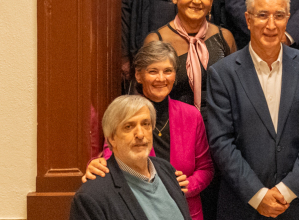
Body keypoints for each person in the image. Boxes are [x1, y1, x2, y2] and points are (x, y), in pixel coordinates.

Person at [204, 0, 299, 220]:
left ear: (287, 19)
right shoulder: (223, 73)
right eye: (262, 15)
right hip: (243, 205)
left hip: (297, 205)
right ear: (248, 20)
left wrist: (286, 190)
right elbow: (221, 142)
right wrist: (258, 195)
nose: (271, 25)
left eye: (279, 16)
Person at [83, 42, 213, 220]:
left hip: (186, 211)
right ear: (138, 75)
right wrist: (97, 165)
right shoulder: (123, 115)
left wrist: (188, 185)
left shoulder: (191, 115)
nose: (161, 78)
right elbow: (109, 159)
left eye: (168, 71)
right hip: (137, 210)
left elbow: (206, 168)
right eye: (153, 71)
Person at [70, 95, 191, 220]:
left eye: (145, 124)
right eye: (129, 126)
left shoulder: (167, 170)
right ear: (111, 138)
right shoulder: (91, 197)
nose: (140, 134)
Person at [142, 0, 237, 108]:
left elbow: (234, 87)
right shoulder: (156, 40)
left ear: (211, 2)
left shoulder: (225, 37)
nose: (197, 1)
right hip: (175, 123)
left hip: (218, 122)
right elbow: (150, 94)